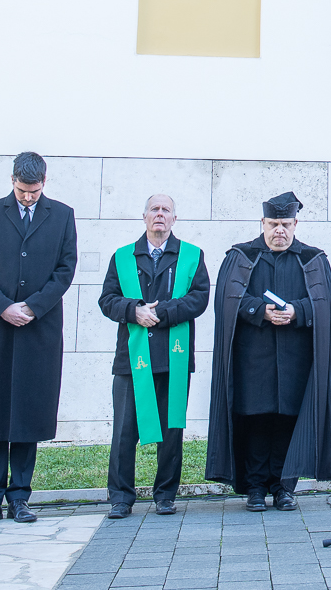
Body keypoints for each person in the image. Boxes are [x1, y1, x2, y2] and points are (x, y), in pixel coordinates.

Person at [205, 191, 331, 512]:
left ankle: (283, 487)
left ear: (295, 224)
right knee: (256, 420)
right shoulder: (241, 256)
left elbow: (324, 305)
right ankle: (254, 488)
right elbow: (227, 299)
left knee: (286, 421)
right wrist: (260, 311)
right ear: (262, 223)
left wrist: (296, 311)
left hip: (295, 359)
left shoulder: (313, 259)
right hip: (253, 358)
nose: (280, 231)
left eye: (286, 224)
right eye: (274, 224)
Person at [0, 152, 77, 525]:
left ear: (44, 181)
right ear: (12, 180)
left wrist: (33, 306)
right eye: (22, 190)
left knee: (28, 412)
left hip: (38, 328)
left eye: (34, 191)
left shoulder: (62, 215)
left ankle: (20, 497)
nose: (28, 197)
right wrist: (2, 306)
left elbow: (65, 268)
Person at [98, 194, 210, 518]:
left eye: (166, 210)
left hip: (172, 355)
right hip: (131, 359)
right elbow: (107, 299)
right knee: (124, 430)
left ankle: (165, 495)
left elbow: (199, 298)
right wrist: (133, 311)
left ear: (175, 218)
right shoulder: (122, 257)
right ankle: (120, 497)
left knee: (171, 428)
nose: (160, 215)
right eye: (154, 210)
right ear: (144, 216)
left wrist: (163, 313)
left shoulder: (191, 255)